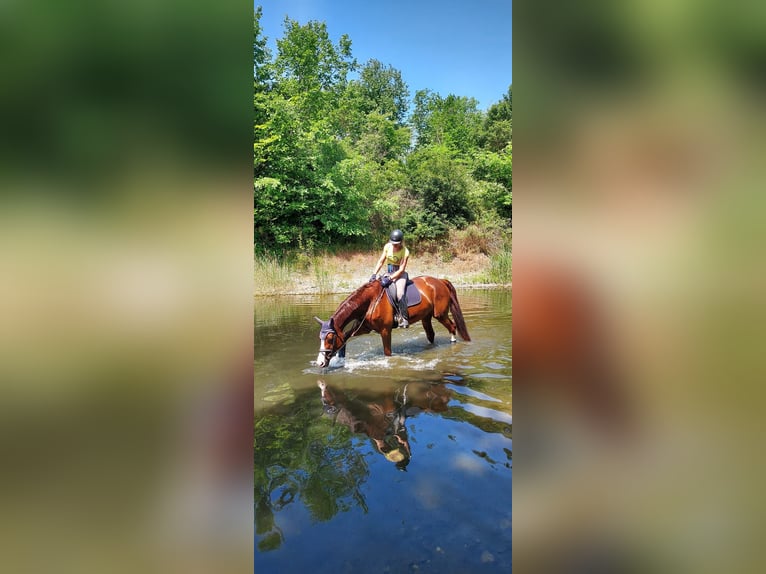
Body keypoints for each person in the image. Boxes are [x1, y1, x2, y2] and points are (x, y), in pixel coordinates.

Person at [370, 229, 410, 328]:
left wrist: (390, 278)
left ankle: (404, 318)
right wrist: (374, 274)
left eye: (396, 244)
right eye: (393, 243)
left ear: (401, 242)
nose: (394, 245)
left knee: (399, 293)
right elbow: (381, 261)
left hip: (399, 274)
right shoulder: (387, 247)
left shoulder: (405, 252)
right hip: (388, 271)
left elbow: (401, 269)